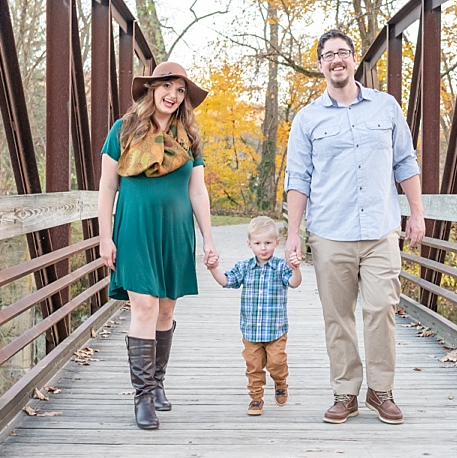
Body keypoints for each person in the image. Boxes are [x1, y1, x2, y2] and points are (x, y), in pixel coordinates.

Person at [283, 29, 425, 425]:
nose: (336, 60)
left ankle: (381, 391)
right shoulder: (307, 119)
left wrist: (416, 212)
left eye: (342, 52)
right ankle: (345, 392)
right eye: (328, 55)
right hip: (330, 231)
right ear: (320, 65)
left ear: (354, 58)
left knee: (382, 307)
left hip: (380, 229)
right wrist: (293, 234)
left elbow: (405, 162)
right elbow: (298, 178)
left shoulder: (385, 107)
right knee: (338, 315)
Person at [98, 61, 219, 430]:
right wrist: (105, 236)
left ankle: (158, 382)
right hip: (135, 229)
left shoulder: (189, 137)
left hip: (175, 232)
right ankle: (143, 396)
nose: (173, 95)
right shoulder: (123, 130)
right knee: (145, 306)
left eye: (180, 90)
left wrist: (208, 239)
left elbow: (197, 190)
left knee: (165, 310)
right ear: (152, 89)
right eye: (167, 86)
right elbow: (107, 187)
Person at [205, 216, 303, 415]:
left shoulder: (280, 267)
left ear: (277, 242)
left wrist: (296, 268)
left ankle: (280, 382)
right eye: (258, 243)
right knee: (253, 366)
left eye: (268, 243)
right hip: (251, 331)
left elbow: (294, 283)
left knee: (276, 362)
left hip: (275, 329)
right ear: (250, 244)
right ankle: (256, 398)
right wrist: (213, 268)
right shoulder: (244, 267)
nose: (263, 248)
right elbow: (226, 281)